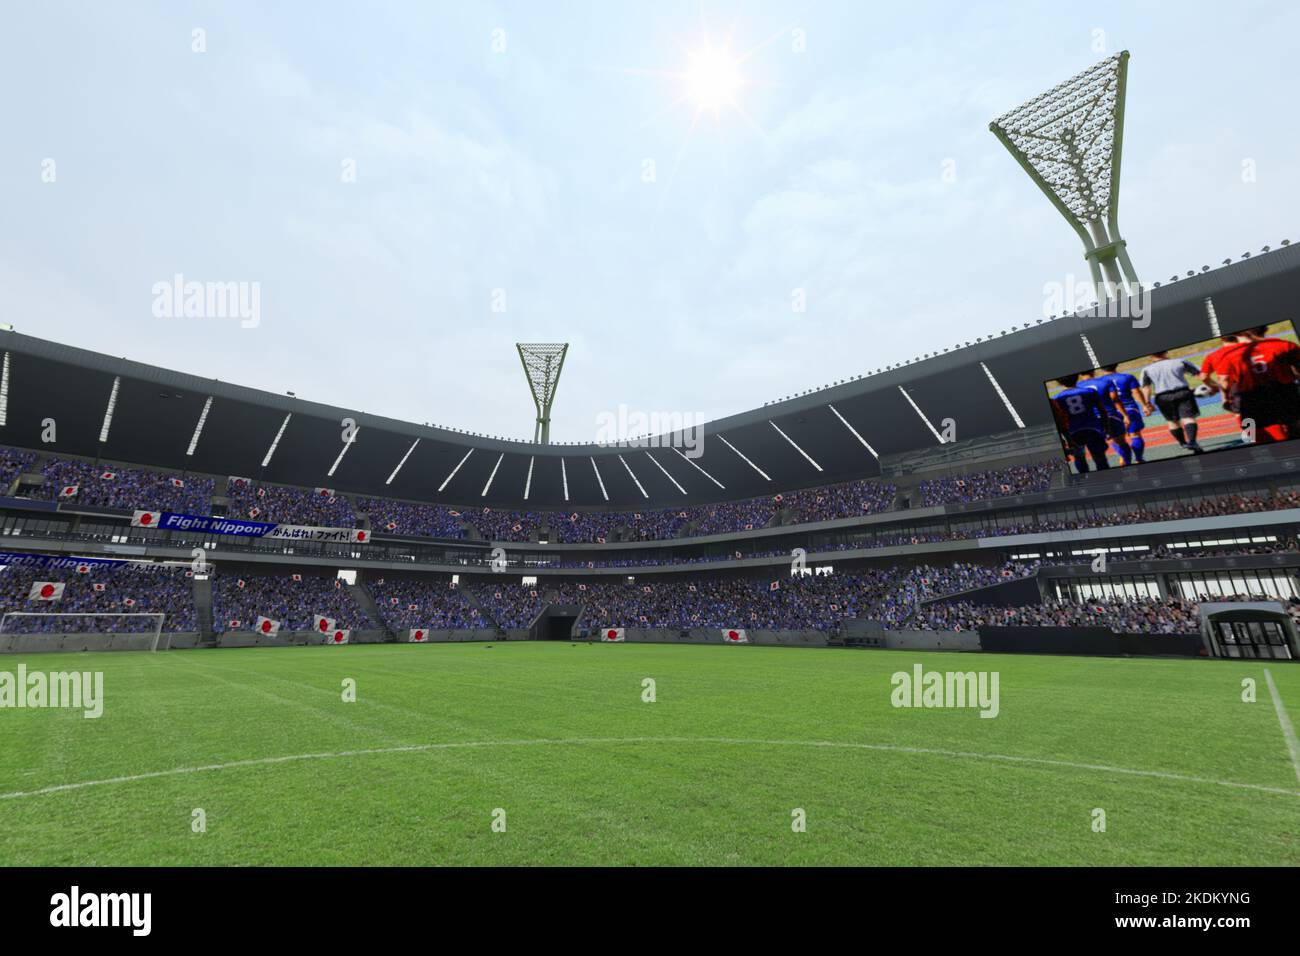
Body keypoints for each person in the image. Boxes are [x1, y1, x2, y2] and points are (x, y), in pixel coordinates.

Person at [1202, 326, 1300, 443]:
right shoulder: (1284, 344)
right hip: (1286, 391)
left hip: (1252, 398)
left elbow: (1224, 380)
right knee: (1294, 425)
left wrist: (1225, 397)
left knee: (1261, 435)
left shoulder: (1229, 355)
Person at [1139, 350, 1205, 453]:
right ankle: (1192, 442)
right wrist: (1211, 385)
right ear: (1166, 352)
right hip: (1183, 392)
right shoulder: (1180, 361)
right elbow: (1200, 374)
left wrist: (1147, 403)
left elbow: (1146, 387)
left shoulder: (1146, 369)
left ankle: (1183, 443)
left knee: (1172, 421)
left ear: (1150, 356)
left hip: (1163, 397)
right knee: (1188, 418)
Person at [1093, 363, 1153, 463]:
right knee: (1135, 435)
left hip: (1112, 412)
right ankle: (1138, 459)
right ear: (1116, 365)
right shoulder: (1127, 377)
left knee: (1116, 438)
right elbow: (1136, 392)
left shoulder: (1099, 381)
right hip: (1130, 409)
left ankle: (1124, 458)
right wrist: (1144, 405)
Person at [1050, 373, 1111, 472]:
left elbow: (1059, 419)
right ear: (1077, 377)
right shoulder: (1089, 391)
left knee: (1079, 458)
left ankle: (1084, 479)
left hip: (1073, 432)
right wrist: (1106, 427)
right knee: (1100, 458)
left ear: (1059, 383)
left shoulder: (1057, 398)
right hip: (1093, 429)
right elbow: (1102, 410)